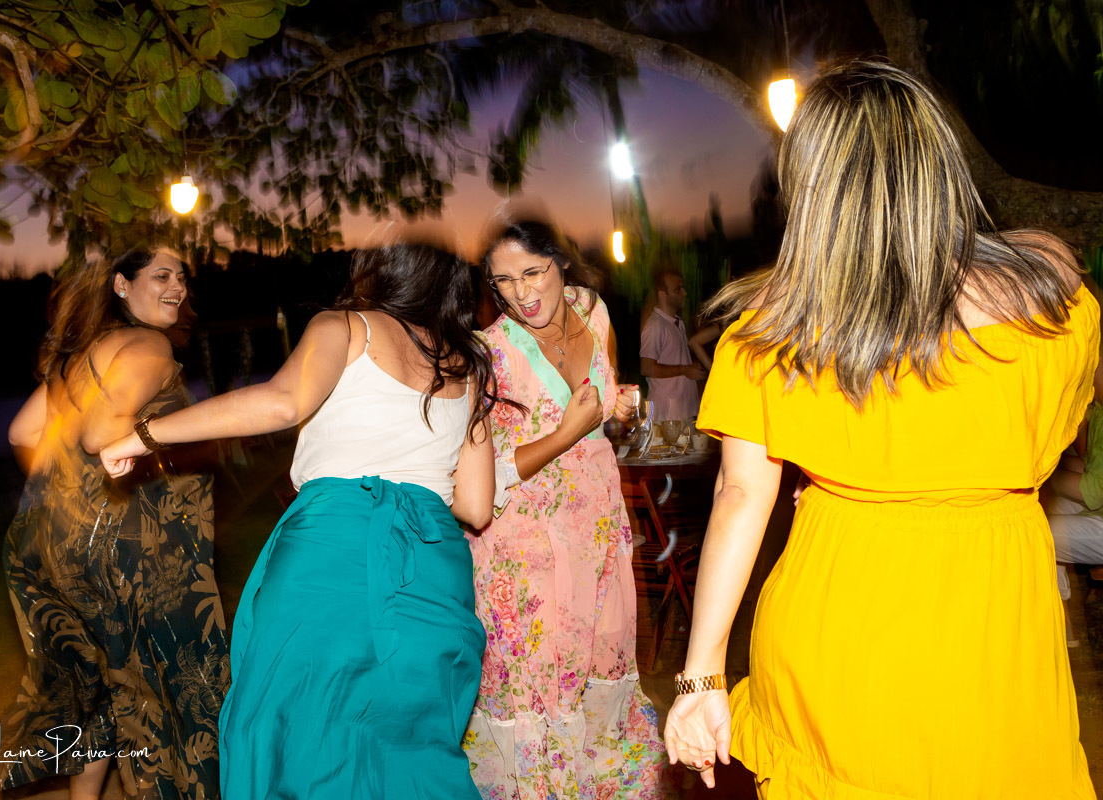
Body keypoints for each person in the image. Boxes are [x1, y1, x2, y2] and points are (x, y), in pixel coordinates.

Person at [663, 59, 1097, 798]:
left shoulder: (769, 334)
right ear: (938, 164)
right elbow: (1046, 444)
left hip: (836, 626)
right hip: (993, 631)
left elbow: (740, 497)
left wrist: (702, 675)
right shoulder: (1058, 310)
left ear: (813, 187)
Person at [101, 240, 496, 799]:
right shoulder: (469, 363)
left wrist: (144, 435)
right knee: (409, 746)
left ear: (381, 272)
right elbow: (477, 505)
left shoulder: (346, 327)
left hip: (332, 550)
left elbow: (283, 402)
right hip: (432, 565)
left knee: (296, 731)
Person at [0, 247, 229, 800]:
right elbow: (98, 434)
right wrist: (145, 439)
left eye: (182, 277)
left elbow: (23, 435)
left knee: (103, 681)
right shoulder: (150, 344)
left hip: (61, 547)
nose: (177, 287)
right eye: (160, 275)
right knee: (179, 683)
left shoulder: (80, 355)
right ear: (121, 284)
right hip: (132, 554)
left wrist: (70, 490)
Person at [461, 218, 671, 799]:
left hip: (597, 528)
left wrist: (612, 412)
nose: (522, 292)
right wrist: (568, 431)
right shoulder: (489, 355)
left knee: (599, 678)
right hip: (524, 552)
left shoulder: (593, 310)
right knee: (540, 693)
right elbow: (481, 478)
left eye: (533, 272)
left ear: (562, 265)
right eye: (504, 281)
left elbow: (601, 396)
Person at [1046, 283, 1103, 607]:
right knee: (1034, 511)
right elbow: (1093, 464)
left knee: (1031, 532)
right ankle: (1059, 615)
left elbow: (1096, 489)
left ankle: (1056, 618)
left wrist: (1038, 473)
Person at [640, 267, 704, 421]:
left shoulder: (677, 323)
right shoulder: (656, 325)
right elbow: (647, 368)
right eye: (678, 289)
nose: (684, 293)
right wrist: (685, 369)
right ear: (662, 294)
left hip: (682, 412)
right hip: (666, 414)